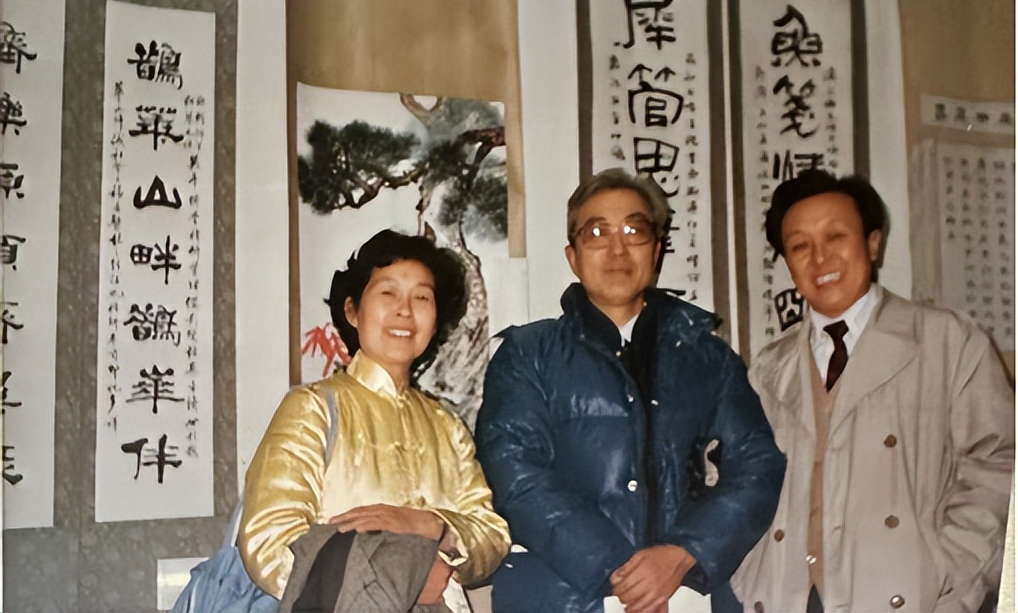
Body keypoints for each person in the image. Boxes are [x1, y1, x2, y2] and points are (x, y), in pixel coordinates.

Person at [475, 168, 787, 613]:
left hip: (684, 595)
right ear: (572, 256)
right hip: (559, 598)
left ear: (656, 250)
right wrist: (623, 570)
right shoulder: (528, 354)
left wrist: (684, 553)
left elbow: (758, 465)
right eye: (596, 232)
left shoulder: (708, 357)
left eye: (634, 231)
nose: (616, 248)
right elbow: (515, 476)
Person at [731, 169, 1015, 613]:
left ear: (873, 243)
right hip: (789, 595)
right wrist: (747, 574)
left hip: (908, 595)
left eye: (835, 237)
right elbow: (740, 477)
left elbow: (998, 462)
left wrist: (950, 573)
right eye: (799, 246)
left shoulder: (946, 340)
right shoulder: (769, 367)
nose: (819, 258)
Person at [238, 230, 510, 611]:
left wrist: (431, 524)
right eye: (387, 293)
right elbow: (268, 539)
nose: (405, 310)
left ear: (435, 322)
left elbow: (493, 537)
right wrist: (402, 577)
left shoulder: (447, 426)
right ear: (352, 311)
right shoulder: (313, 408)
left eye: (421, 297)